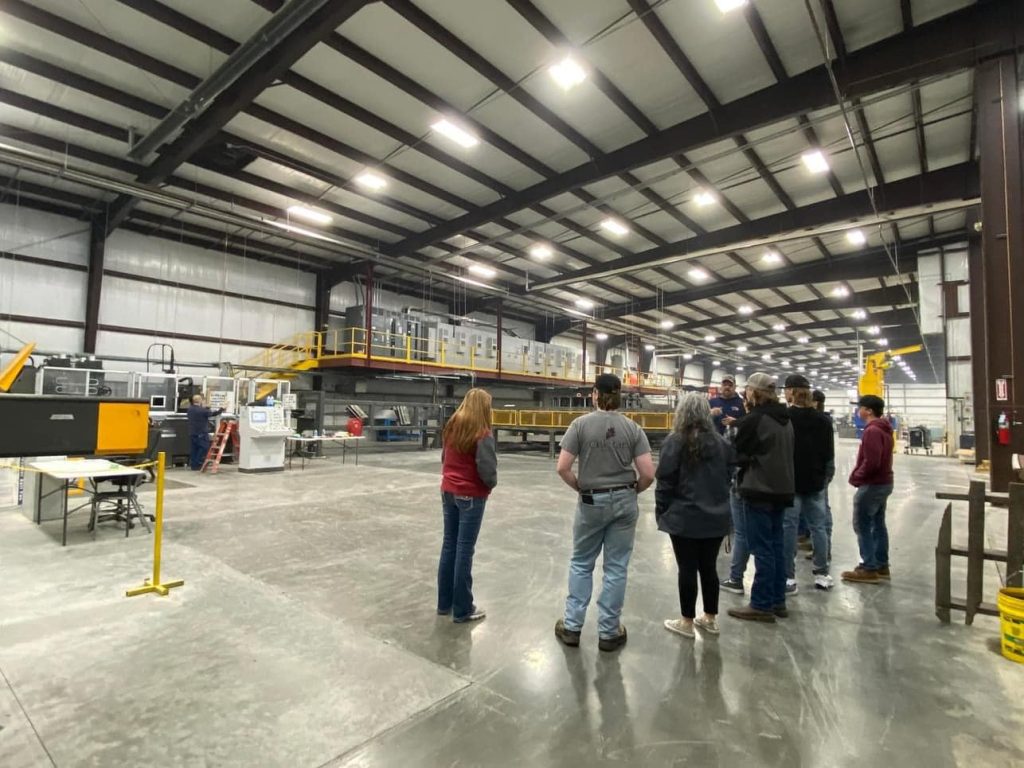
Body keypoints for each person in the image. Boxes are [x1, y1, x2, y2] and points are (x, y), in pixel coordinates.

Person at [554, 373, 655, 652]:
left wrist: (580, 488)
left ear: (595, 394)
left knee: (581, 562)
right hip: (624, 501)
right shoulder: (633, 429)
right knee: (616, 566)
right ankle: (609, 632)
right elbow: (648, 473)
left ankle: (572, 627)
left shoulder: (580, 425)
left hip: (590, 500)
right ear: (619, 395)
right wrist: (632, 492)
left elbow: (562, 467)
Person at [655, 393, 734, 638]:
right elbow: (728, 476)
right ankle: (710, 618)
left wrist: (662, 511)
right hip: (716, 516)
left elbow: (665, 481)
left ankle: (687, 621)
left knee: (687, 568)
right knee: (709, 568)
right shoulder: (722, 444)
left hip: (684, 517)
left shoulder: (675, 442)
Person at [726, 372, 795, 623]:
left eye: (747, 390)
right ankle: (778, 601)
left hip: (759, 490)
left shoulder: (754, 420)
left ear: (754, 393)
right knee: (776, 546)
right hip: (782, 489)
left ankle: (761, 604)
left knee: (762, 549)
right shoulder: (785, 419)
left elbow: (736, 455)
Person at [438, 388, 498, 622]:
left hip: (448, 492)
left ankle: (444, 604)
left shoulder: (451, 427)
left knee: (449, 546)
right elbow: (487, 470)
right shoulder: (482, 433)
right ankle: (463, 609)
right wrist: (490, 486)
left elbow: (444, 458)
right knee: (464, 549)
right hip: (471, 495)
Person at [781, 375, 835, 593]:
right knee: (818, 528)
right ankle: (822, 574)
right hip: (815, 482)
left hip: (791, 482)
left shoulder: (785, 417)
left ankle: (788, 578)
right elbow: (829, 454)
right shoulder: (823, 420)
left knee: (788, 530)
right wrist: (825, 478)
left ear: (792, 392)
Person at [842, 395, 894, 584]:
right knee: (878, 524)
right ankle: (881, 564)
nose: (858, 411)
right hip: (884, 483)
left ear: (869, 411)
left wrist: (857, 476)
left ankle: (869, 567)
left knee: (862, 525)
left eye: (860, 408)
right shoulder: (885, 429)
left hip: (873, 484)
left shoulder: (872, 431)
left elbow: (872, 461)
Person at [813, 389, 835, 563]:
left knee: (821, 513)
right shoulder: (824, 420)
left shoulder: (821, 421)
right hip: (822, 471)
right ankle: (822, 550)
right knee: (821, 513)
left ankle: (824, 551)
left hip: (818, 472)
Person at [187, 394, 220, 470]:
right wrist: (222, 409)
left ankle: (193, 465)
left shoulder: (190, 409)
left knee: (194, 449)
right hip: (201, 433)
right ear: (200, 401)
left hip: (192, 432)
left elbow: (203, 412)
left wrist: (206, 408)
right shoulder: (202, 410)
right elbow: (213, 414)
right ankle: (198, 463)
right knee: (204, 447)